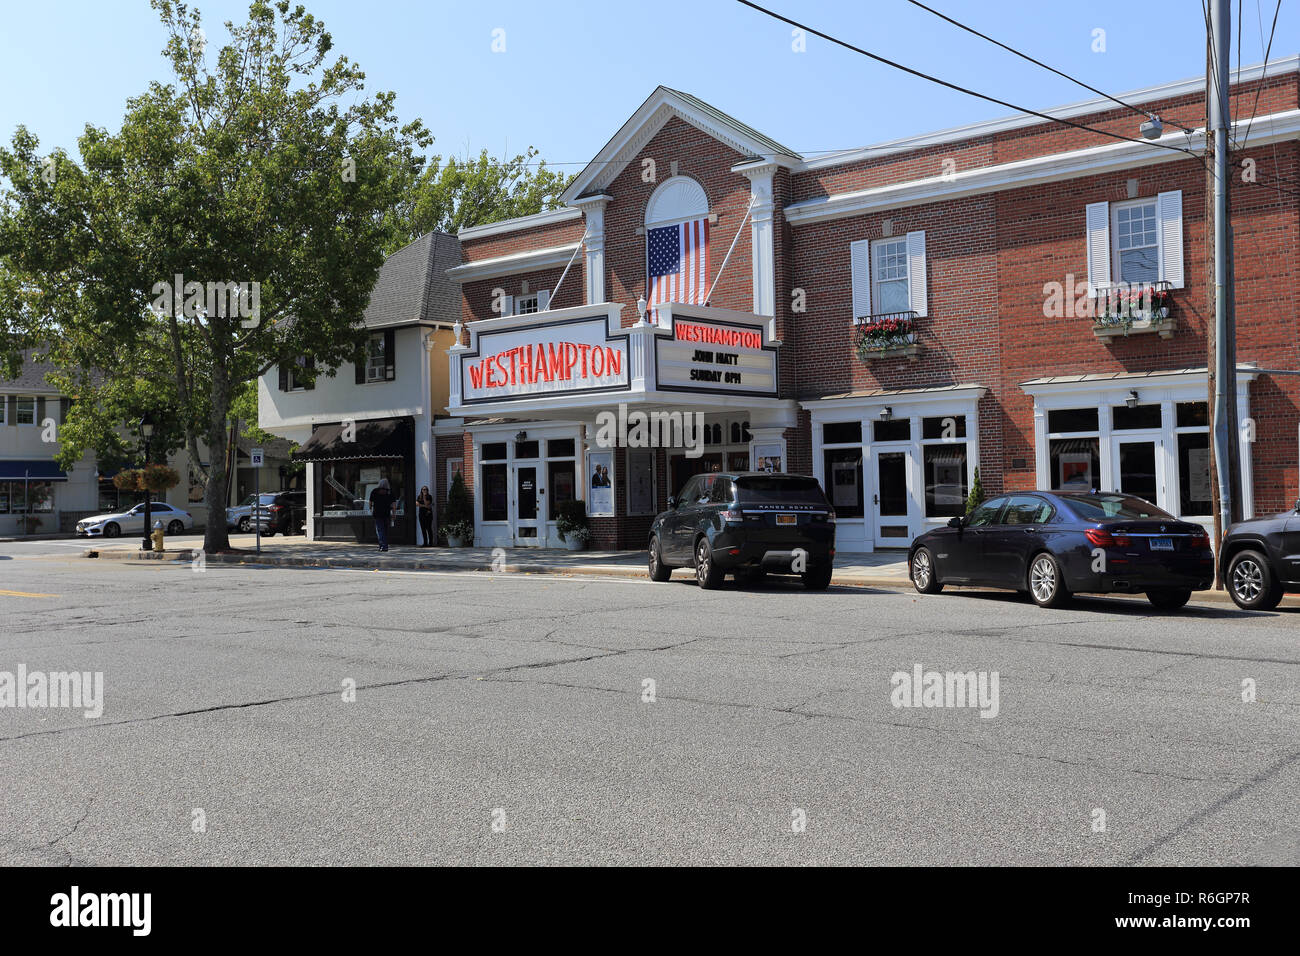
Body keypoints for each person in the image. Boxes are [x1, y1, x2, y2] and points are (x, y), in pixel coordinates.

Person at [369, 478, 395, 552]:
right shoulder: (390, 492)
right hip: (387, 514)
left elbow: (370, 502)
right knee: (385, 531)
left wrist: (370, 509)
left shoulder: (375, 491)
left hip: (377, 514)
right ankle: (383, 546)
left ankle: (383, 546)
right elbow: (393, 505)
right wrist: (394, 513)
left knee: (380, 530)